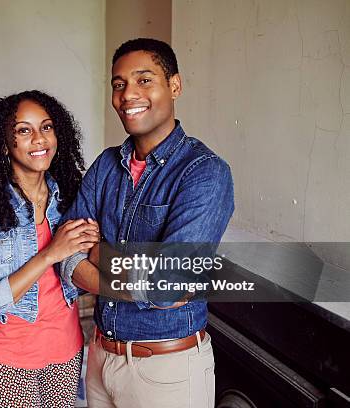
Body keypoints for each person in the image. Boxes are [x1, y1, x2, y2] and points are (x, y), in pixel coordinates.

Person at [60, 38, 235, 408]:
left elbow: (169, 284)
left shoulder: (204, 173)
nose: (127, 95)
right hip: (100, 358)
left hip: (166, 370)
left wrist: (94, 252)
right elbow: (64, 255)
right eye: (119, 84)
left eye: (144, 80)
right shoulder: (106, 165)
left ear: (174, 86)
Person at [0, 90, 100, 407]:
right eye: (24, 130)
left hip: (65, 347)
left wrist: (95, 239)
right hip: (8, 353)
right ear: (4, 144)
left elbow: (86, 265)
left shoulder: (70, 198)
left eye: (47, 127)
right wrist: (50, 254)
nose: (39, 139)